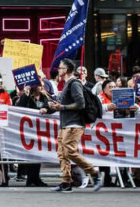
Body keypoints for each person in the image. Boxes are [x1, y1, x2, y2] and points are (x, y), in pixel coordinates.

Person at [43, 58, 103, 192]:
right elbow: (60, 104)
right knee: (62, 153)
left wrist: (62, 107)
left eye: (60, 68)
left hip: (74, 124)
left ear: (66, 70)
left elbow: (80, 103)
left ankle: (94, 173)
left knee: (69, 151)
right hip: (65, 124)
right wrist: (48, 109)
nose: (58, 70)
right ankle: (66, 181)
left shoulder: (74, 83)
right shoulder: (65, 85)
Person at [14, 84, 52, 187]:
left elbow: (51, 106)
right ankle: (30, 178)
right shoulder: (28, 97)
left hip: (41, 129)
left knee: (39, 154)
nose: (41, 87)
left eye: (42, 85)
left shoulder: (45, 97)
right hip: (29, 130)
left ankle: (36, 177)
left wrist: (46, 109)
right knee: (31, 154)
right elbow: (19, 108)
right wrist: (25, 95)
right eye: (39, 85)